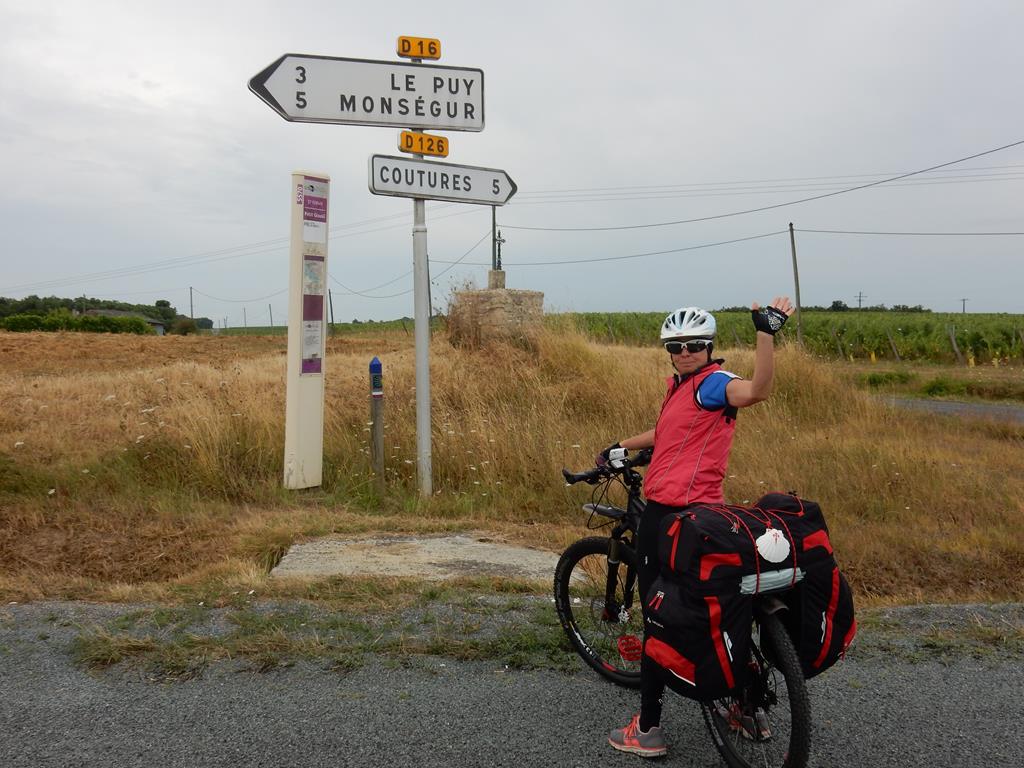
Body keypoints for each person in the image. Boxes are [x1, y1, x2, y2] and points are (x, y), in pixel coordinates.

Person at [601, 298, 794, 758]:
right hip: (706, 519)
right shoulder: (683, 388)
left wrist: (765, 332)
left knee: (657, 616)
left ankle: (648, 729)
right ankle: (746, 709)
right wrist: (619, 447)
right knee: (717, 609)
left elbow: (758, 390)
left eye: (693, 345)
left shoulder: (715, 384)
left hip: (673, 518)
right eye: (676, 346)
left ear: (709, 347)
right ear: (669, 352)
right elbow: (666, 432)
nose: (684, 352)